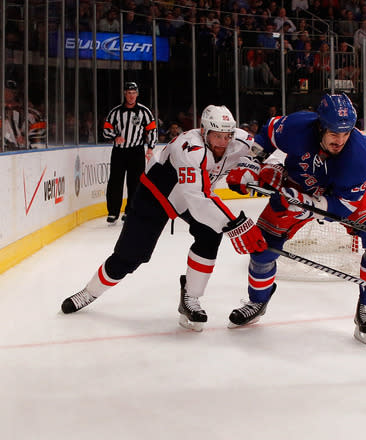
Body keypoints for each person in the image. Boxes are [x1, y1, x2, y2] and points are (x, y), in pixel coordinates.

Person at [60, 105, 267, 332]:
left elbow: (263, 150)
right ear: (203, 131)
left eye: (227, 136)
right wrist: (238, 224)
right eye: (217, 136)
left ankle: (190, 297)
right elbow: (199, 200)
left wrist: (252, 167)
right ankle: (89, 292)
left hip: (190, 194)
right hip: (156, 195)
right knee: (131, 257)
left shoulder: (240, 140)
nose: (222, 142)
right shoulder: (190, 149)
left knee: (210, 234)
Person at [224, 93, 366, 344]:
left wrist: (304, 205)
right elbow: (268, 133)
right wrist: (252, 163)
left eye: (346, 133)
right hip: (298, 185)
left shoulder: (358, 155)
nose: (340, 140)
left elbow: (342, 208)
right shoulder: (297, 126)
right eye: (334, 133)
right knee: (262, 247)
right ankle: (257, 301)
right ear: (320, 126)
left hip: (340, 196)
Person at [102, 82, 157, 224]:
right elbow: (106, 129)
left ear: (137, 94)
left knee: (135, 182)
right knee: (115, 181)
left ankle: (130, 210)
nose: (131, 96)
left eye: (133, 93)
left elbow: (152, 129)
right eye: (128, 93)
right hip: (119, 152)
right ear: (125, 94)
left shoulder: (144, 112)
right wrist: (115, 137)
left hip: (136, 151)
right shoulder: (115, 112)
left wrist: (150, 148)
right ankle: (113, 212)